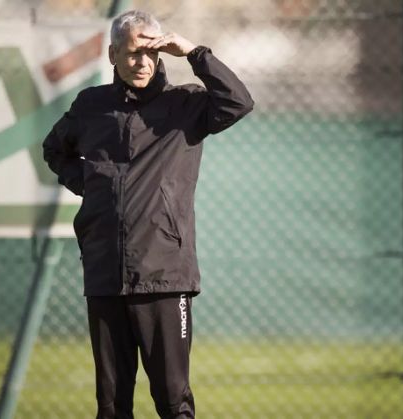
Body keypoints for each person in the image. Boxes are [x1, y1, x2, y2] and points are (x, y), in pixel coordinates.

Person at [42, 9, 254, 418]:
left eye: (150, 53)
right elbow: (55, 150)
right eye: (131, 53)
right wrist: (91, 185)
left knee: (173, 403)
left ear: (160, 55)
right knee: (111, 405)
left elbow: (239, 102)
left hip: (164, 274)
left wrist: (192, 52)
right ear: (112, 55)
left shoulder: (186, 104)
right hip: (105, 273)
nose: (141, 62)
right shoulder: (92, 105)